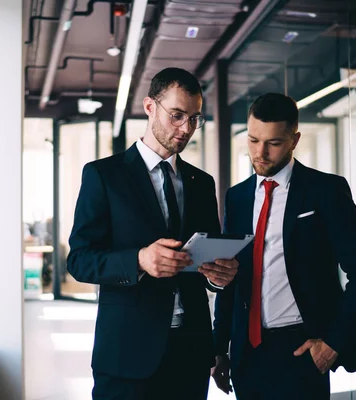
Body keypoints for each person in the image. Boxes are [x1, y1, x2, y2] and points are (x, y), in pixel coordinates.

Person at [67, 67, 238, 400]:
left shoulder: (201, 183)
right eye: (176, 115)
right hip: (126, 355)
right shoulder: (104, 175)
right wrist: (139, 260)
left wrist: (219, 276)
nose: (186, 128)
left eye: (194, 118)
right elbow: (79, 260)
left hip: (190, 352)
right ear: (149, 107)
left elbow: (207, 261)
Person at [211, 93, 356, 399]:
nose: (260, 152)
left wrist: (333, 343)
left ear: (294, 139)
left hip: (301, 349)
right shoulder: (236, 197)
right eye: (252, 140)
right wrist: (219, 347)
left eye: (273, 143)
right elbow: (231, 277)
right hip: (247, 353)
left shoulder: (325, 191)